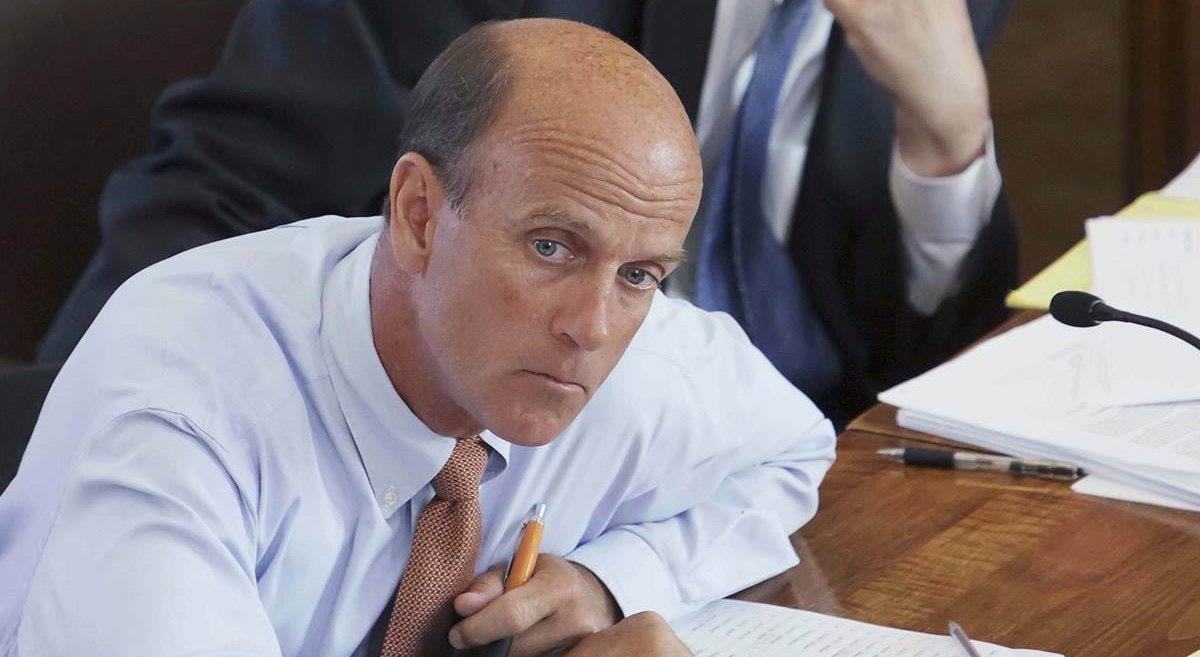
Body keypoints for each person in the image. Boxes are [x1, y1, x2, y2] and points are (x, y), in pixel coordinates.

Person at [0, 19, 834, 657]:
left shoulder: (630, 353)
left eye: (642, 274)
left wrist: (616, 580)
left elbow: (793, 453)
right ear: (419, 215)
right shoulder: (182, 410)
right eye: (551, 246)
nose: (592, 328)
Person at [37, 0, 1016, 427]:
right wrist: (109, 437)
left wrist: (949, 136)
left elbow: (914, 350)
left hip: (767, 485)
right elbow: (227, 198)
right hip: (460, 481)